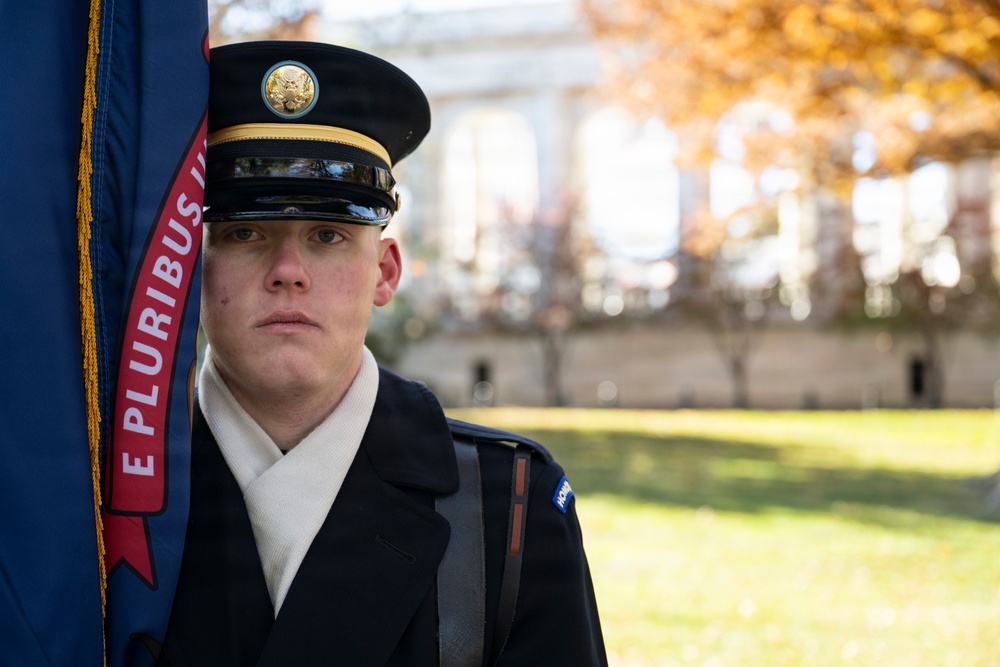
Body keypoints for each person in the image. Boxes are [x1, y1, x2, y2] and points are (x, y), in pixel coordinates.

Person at [158, 40, 606, 666]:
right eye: (244, 232)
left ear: (386, 272)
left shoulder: (508, 506)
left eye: (327, 235)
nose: (288, 271)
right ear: (188, 271)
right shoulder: (115, 495)